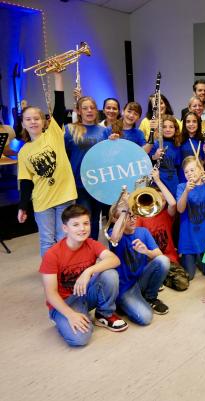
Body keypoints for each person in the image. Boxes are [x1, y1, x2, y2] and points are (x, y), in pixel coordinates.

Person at [39, 204, 127, 347]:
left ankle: (103, 314)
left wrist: (88, 271)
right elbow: (50, 294)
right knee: (80, 339)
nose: (82, 228)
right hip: (65, 302)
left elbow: (114, 260)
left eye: (86, 223)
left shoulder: (91, 243)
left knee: (110, 274)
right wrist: (70, 314)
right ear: (65, 229)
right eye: (76, 225)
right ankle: (66, 318)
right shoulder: (52, 254)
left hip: (85, 293)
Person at [17, 73, 77, 256]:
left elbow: (59, 108)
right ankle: (51, 277)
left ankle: (65, 275)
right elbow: (26, 182)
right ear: (23, 124)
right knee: (46, 240)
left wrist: (58, 76)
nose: (33, 121)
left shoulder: (53, 133)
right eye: (28, 119)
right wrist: (23, 206)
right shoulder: (24, 151)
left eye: (36, 118)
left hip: (65, 195)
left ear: (43, 121)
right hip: (42, 200)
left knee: (64, 238)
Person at [107, 201, 170, 325]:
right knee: (146, 318)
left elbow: (159, 256)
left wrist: (146, 252)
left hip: (141, 279)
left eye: (133, 215)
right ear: (116, 220)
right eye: (126, 216)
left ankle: (150, 297)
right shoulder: (112, 234)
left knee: (163, 261)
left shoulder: (143, 232)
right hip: (125, 288)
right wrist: (124, 210)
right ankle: (124, 304)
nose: (132, 219)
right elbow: (115, 237)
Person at [64, 96, 110, 240]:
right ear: (78, 111)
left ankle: (93, 252)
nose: (89, 111)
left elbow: (109, 155)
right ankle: (85, 255)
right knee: (84, 220)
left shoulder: (105, 131)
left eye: (92, 108)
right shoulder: (70, 129)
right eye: (85, 108)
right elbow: (63, 155)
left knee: (96, 219)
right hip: (80, 183)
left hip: (100, 183)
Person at [137, 169, 189, 291]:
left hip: (169, 258)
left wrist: (158, 180)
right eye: (158, 200)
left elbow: (172, 203)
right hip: (151, 260)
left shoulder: (166, 214)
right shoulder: (141, 217)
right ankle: (159, 277)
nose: (161, 203)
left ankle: (161, 277)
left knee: (183, 283)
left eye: (163, 200)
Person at [177, 156, 205, 279]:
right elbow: (180, 209)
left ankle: (200, 259)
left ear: (201, 170)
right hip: (188, 239)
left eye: (192, 170)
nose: (189, 174)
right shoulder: (181, 187)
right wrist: (186, 191)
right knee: (189, 276)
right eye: (186, 172)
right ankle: (192, 259)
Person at [149, 115, 183, 198]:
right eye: (164, 127)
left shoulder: (178, 146)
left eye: (171, 127)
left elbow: (179, 168)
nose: (168, 129)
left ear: (175, 129)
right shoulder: (155, 144)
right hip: (158, 182)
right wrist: (155, 156)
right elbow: (148, 163)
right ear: (160, 129)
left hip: (173, 183)